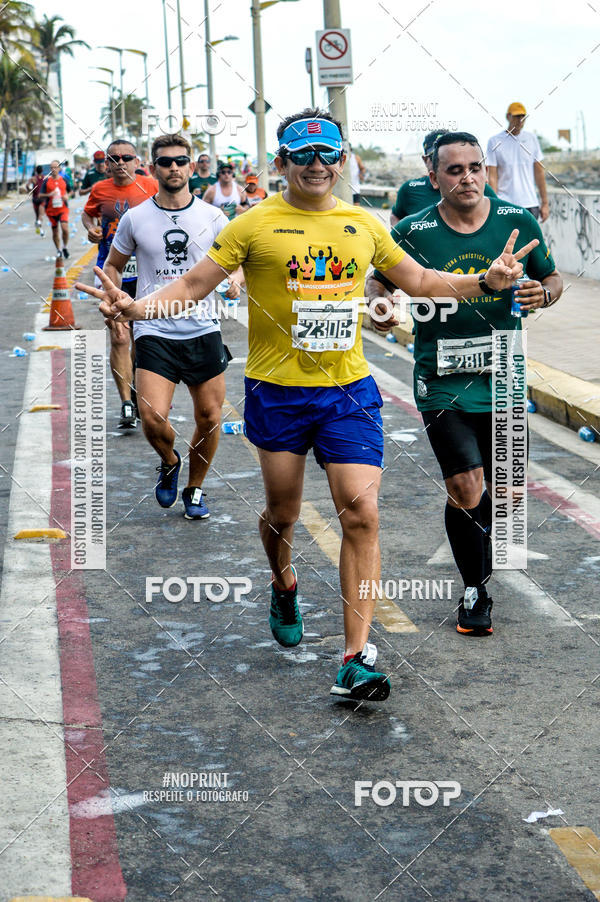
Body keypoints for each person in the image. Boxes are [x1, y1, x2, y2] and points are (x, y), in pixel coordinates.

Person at [79, 108, 537, 702]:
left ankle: (356, 656)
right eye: (303, 155)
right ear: (282, 163)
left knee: (361, 514)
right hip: (278, 393)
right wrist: (137, 309)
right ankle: (283, 580)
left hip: (347, 391)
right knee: (283, 516)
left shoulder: (362, 223)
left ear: (341, 160)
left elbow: (420, 281)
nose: (316, 165)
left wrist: (486, 283)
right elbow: (194, 286)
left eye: (327, 154)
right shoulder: (253, 225)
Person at [366, 131, 562, 636]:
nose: (469, 177)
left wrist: (544, 293)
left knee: (507, 495)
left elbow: (554, 278)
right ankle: (476, 588)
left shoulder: (515, 220)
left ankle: (476, 547)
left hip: (504, 374)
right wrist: (380, 306)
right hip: (443, 380)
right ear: (434, 177)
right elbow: (379, 282)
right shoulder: (414, 229)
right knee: (465, 484)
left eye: (476, 167)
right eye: (455, 170)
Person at [103, 133, 240, 519]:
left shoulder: (213, 217)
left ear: (192, 167)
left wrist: (236, 280)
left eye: (181, 161)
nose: (174, 167)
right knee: (152, 417)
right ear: (154, 166)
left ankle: (195, 489)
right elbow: (114, 264)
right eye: (166, 162)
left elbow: (236, 262)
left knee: (210, 417)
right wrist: (113, 294)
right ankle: (169, 460)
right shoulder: (135, 218)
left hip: (203, 328)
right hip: (154, 329)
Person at [82, 139, 157, 429]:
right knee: (119, 337)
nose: (120, 162)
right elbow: (88, 213)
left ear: (137, 162)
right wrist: (91, 229)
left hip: (148, 273)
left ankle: (139, 390)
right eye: (114, 158)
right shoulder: (100, 189)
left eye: (126, 157)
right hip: (112, 271)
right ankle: (126, 402)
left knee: (142, 336)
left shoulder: (151, 186)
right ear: (106, 164)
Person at [390, 129, 497, 226]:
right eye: (434, 157)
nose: (438, 162)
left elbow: (496, 216)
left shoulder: (477, 189)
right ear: (425, 159)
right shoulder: (410, 189)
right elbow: (395, 216)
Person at [486, 102, 549, 222]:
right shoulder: (494, 141)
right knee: (506, 240)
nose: (520, 120)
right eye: (517, 116)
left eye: (523, 116)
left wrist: (545, 203)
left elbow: (539, 173)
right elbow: (492, 176)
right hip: (505, 203)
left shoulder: (532, 139)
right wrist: (493, 205)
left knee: (531, 240)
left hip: (530, 202)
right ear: (508, 116)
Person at [39, 159, 72, 257]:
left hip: (63, 209)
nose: (54, 169)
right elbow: (40, 195)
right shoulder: (47, 181)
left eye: (56, 167)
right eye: (52, 167)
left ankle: (65, 247)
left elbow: (71, 191)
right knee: (55, 232)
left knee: (65, 229)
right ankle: (59, 249)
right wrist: (50, 194)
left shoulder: (64, 180)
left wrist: (67, 196)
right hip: (51, 211)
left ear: (59, 168)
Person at [27, 165, 45, 234]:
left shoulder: (33, 178)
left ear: (36, 171)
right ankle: (39, 225)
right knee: (41, 215)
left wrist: (30, 191)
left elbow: (27, 186)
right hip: (42, 199)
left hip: (35, 199)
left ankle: (40, 230)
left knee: (37, 215)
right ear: (42, 170)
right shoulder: (45, 178)